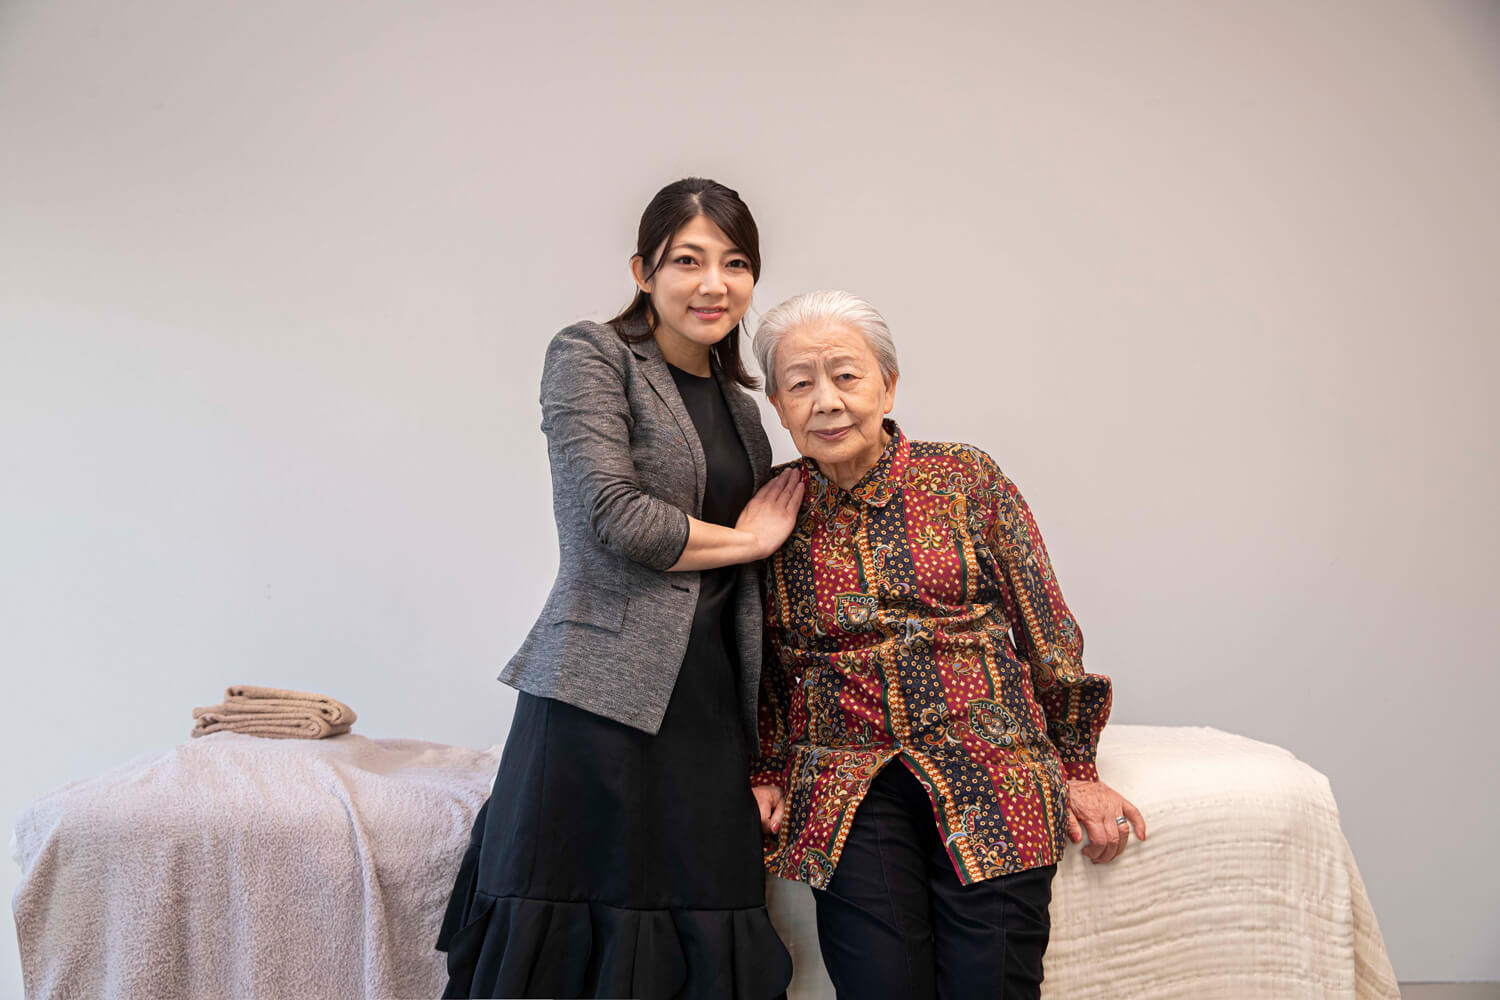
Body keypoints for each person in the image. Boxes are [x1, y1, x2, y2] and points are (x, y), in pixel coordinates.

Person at [435, 178, 800, 1000]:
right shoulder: (591, 354)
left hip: (710, 708)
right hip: (598, 706)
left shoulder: (744, 407)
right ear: (644, 270)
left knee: (708, 934)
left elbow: (755, 578)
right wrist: (749, 540)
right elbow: (615, 517)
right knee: (566, 945)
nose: (714, 284)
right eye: (688, 260)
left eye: (735, 263)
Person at [748, 290, 1147, 1000]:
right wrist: (767, 769)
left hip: (991, 767)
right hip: (846, 780)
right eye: (800, 384)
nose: (826, 402)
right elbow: (768, 663)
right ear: (778, 406)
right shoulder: (774, 509)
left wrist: (1077, 764)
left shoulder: (965, 478)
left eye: (846, 376)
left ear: (887, 385)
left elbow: (1046, 628)